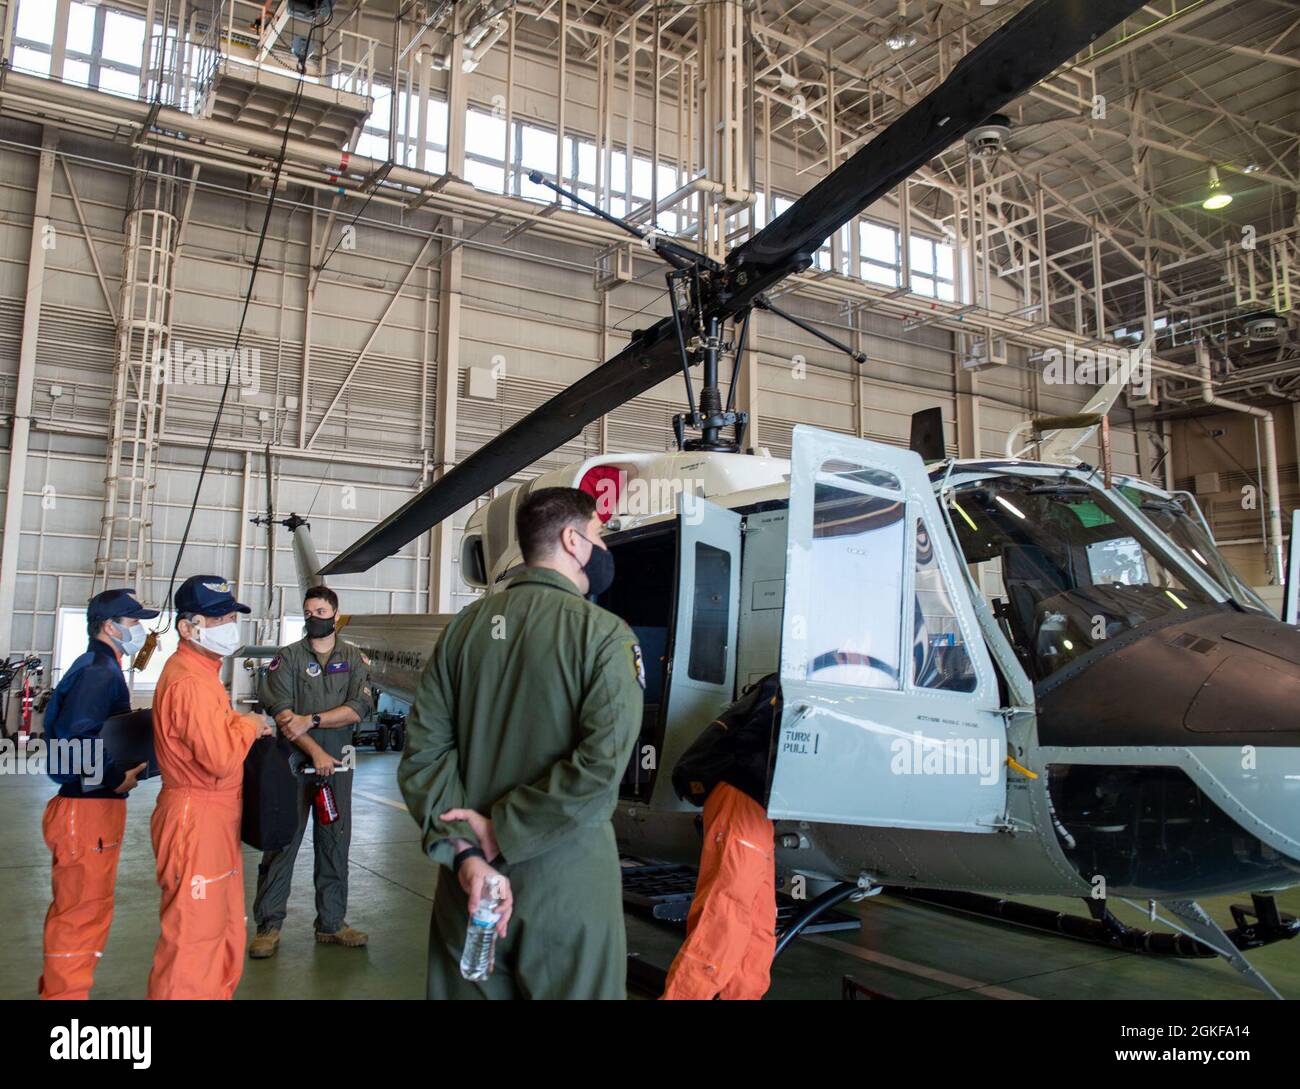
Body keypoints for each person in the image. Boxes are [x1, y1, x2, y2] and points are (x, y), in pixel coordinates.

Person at [398, 486, 644, 999]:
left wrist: (467, 854)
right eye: (597, 534)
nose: (601, 548)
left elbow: (422, 754)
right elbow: (601, 767)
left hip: (470, 886)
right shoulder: (604, 635)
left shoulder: (462, 630)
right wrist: (503, 830)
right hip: (566, 882)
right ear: (573, 541)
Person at [147, 575, 272, 1000]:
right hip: (195, 815)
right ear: (188, 626)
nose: (229, 624)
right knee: (192, 941)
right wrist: (249, 724)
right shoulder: (189, 681)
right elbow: (218, 758)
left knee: (221, 929)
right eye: (219, 618)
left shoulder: (204, 675)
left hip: (215, 816)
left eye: (231, 616)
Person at [38, 589, 157, 999]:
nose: (139, 630)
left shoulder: (102, 665)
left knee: (86, 909)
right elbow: (76, 737)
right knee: (80, 915)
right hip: (86, 809)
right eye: (132, 622)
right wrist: (112, 777)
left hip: (92, 808)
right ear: (110, 626)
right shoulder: (98, 672)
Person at [249, 585, 373, 958]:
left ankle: (332, 923)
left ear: (335, 615)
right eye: (308, 612)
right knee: (282, 842)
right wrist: (316, 749)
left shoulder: (354, 660)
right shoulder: (285, 659)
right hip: (292, 765)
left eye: (320, 612)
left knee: (335, 842)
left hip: (339, 767)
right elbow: (283, 715)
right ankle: (268, 926)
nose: (313, 618)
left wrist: (314, 719)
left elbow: (357, 709)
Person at [661, 673, 781, 1001]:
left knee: (757, 924)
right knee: (726, 913)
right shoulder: (789, 686)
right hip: (743, 798)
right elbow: (752, 746)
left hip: (760, 810)